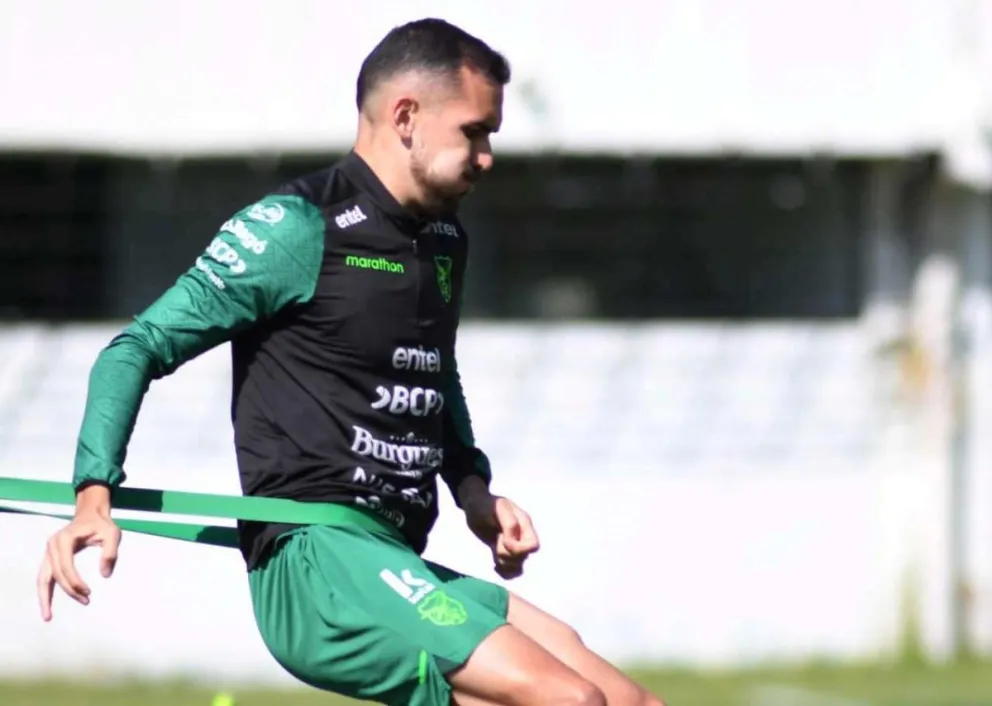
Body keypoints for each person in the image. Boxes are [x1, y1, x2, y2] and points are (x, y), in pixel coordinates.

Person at [36, 17, 665, 706]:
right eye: (475, 133)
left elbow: (432, 372)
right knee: (568, 700)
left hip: (387, 559)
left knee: (629, 700)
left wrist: (473, 490)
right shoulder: (295, 228)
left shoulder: (443, 239)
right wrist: (92, 495)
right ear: (406, 117)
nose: (487, 157)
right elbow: (136, 348)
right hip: (319, 562)